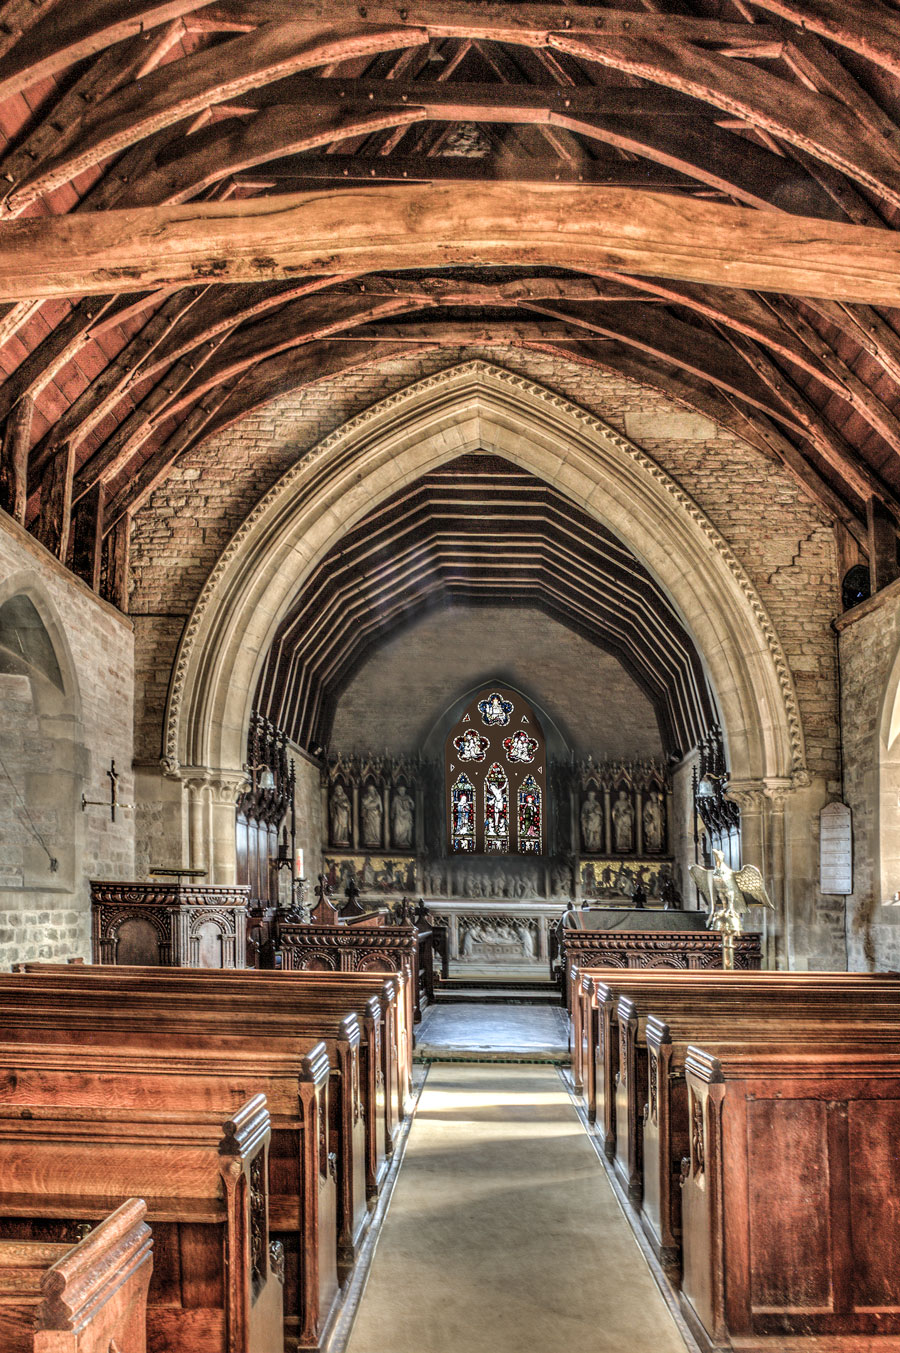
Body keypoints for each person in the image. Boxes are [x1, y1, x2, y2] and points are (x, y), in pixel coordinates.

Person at [391, 784, 414, 848]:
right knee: (398, 829)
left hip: (407, 815)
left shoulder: (408, 797)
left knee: (406, 828)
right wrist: (392, 814)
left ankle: (406, 841)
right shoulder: (396, 798)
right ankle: (398, 841)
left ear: (405, 791)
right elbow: (393, 807)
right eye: (400, 790)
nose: (401, 791)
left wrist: (410, 803)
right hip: (398, 816)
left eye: (403, 790)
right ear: (398, 791)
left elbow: (412, 806)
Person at [361, 783, 383, 848]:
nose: (371, 791)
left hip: (376, 814)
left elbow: (380, 807)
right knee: (368, 828)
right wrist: (369, 799)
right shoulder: (366, 797)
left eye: (372, 790)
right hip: (368, 814)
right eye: (369, 790)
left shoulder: (378, 797)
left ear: (374, 790)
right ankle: (369, 840)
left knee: (376, 827)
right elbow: (364, 805)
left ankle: (376, 840)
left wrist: (380, 813)